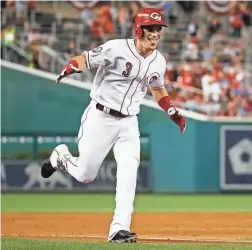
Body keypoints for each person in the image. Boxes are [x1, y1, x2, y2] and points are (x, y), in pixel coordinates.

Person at [41, 8, 186, 243]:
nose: (156, 33)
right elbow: (86, 58)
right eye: (151, 28)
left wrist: (170, 109)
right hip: (100, 117)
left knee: (129, 171)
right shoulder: (116, 48)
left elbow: (158, 88)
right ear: (139, 29)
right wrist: (70, 65)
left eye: (159, 29)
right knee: (86, 174)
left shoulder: (159, 61)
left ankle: (119, 229)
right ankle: (60, 157)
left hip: (129, 122)